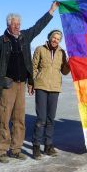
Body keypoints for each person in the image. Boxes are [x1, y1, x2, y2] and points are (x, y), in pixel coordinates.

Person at [0, 1, 59, 163]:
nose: (17, 27)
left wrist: (51, 11)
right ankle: (2, 151)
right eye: (14, 25)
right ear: (8, 25)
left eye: (19, 24)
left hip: (21, 84)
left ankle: (16, 149)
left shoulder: (25, 37)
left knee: (19, 119)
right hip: (7, 85)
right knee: (4, 118)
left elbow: (38, 27)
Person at [29, 29, 70, 160]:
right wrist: (31, 84)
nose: (55, 40)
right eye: (54, 37)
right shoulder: (40, 49)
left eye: (58, 39)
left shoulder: (62, 53)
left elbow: (64, 71)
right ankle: (36, 146)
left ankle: (48, 145)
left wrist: (69, 64)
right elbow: (33, 67)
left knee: (51, 119)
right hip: (41, 86)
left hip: (55, 87)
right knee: (41, 118)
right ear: (50, 37)